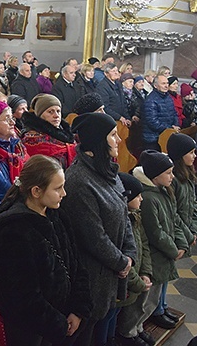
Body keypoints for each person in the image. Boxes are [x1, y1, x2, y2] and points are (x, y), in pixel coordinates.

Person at [0, 155, 92, 346]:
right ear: (36, 191)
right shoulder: (14, 232)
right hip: (31, 326)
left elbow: (76, 263)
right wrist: (58, 324)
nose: (64, 193)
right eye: (58, 188)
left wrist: (78, 309)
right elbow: (21, 295)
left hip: (61, 316)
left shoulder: (56, 214)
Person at [61, 112, 137, 346]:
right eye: (113, 135)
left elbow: (124, 215)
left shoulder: (108, 170)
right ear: (97, 141)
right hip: (90, 278)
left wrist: (130, 255)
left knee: (95, 330)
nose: (119, 140)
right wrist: (121, 262)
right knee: (82, 336)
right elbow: (92, 236)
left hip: (109, 272)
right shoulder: (79, 181)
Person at [134, 150, 188, 330]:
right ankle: (142, 322)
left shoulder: (164, 190)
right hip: (157, 253)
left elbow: (173, 219)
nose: (172, 176)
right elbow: (155, 232)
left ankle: (160, 308)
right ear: (155, 175)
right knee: (150, 294)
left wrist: (182, 243)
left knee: (163, 284)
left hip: (167, 249)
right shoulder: (148, 198)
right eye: (168, 172)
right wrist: (173, 249)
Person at [115, 172, 154, 346]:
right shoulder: (121, 221)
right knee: (117, 314)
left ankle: (136, 329)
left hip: (139, 275)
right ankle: (124, 335)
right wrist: (138, 281)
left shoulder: (135, 215)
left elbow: (143, 243)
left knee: (140, 305)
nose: (141, 199)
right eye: (137, 196)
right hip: (130, 281)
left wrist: (146, 272)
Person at [21, 94, 77, 170]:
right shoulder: (31, 138)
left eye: (58, 111)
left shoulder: (66, 131)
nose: (56, 115)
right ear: (39, 115)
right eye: (50, 112)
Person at [168, 133, 197, 253]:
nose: (195, 156)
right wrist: (188, 234)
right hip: (176, 232)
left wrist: (194, 230)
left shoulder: (188, 175)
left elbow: (193, 204)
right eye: (191, 152)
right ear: (180, 155)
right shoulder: (172, 179)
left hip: (187, 232)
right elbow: (172, 211)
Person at [142, 75, 179, 151]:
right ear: (155, 85)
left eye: (167, 83)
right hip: (153, 138)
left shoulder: (168, 97)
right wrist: (169, 128)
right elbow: (152, 122)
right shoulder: (151, 100)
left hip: (168, 135)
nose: (166, 86)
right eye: (163, 83)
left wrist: (175, 125)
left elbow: (174, 113)